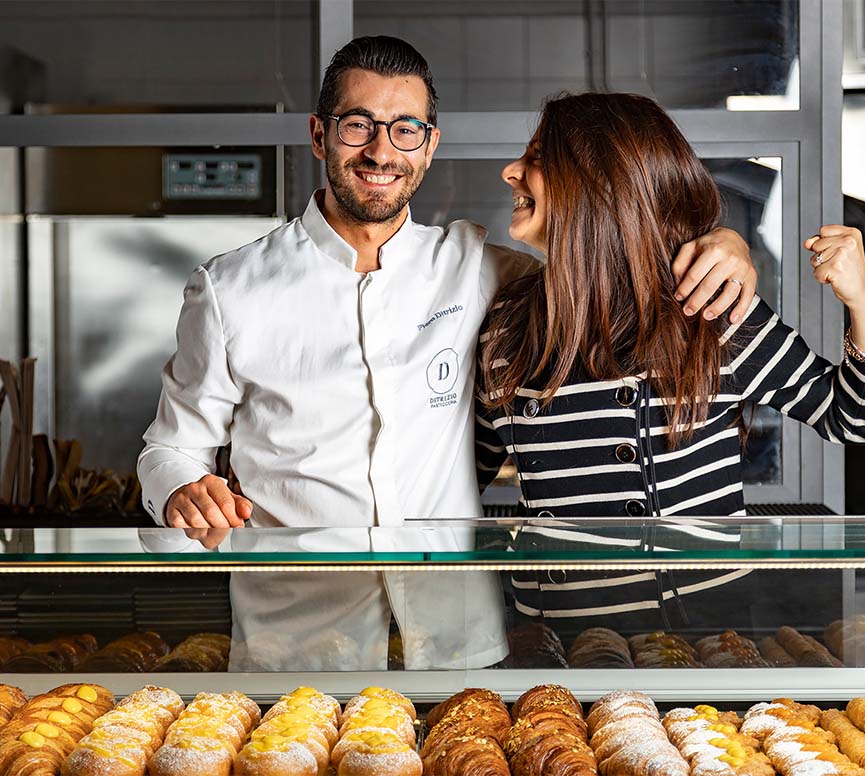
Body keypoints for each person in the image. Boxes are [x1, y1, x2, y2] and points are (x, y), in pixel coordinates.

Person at [136, 37, 759, 669]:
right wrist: (181, 488)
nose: (382, 152)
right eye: (359, 127)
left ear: (430, 146)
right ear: (320, 136)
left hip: (457, 645)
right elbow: (169, 448)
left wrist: (722, 240)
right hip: (297, 646)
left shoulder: (481, 269)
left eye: (405, 130)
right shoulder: (229, 288)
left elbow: (612, 254)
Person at [475, 92, 865, 638]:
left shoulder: (709, 306)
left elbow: (857, 419)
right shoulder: (507, 329)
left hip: (710, 644)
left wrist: (863, 301)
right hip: (567, 649)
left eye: (539, 157)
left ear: (600, 183)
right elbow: (465, 470)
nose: (511, 170)